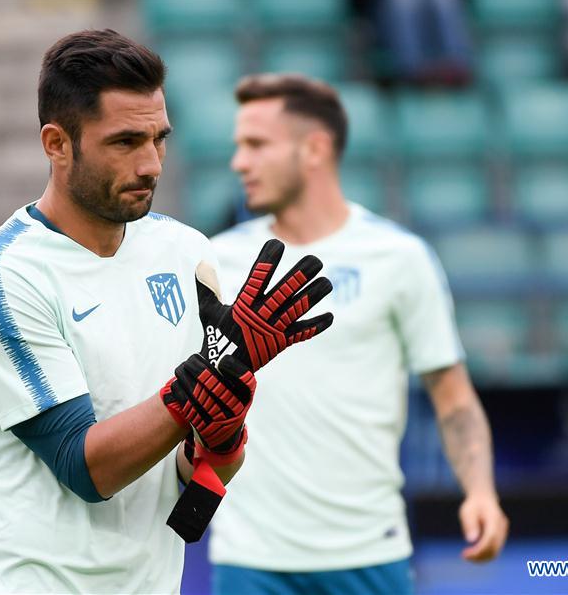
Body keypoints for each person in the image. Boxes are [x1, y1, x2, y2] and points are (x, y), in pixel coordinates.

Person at [0, 30, 332, 593]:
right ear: (57, 143)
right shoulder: (1, 275)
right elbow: (85, 467)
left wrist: (223, 438)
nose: (151, 164)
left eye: (159, 139)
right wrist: (197, 388)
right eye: (125, 142)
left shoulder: (187, 252)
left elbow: (196, 483)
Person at [209, 74, 509, 595]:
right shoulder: (216, 260)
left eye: (256, 144)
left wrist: (479, 491)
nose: (239, 162)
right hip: (248, 559)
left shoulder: (399, 258)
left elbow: (453, 399)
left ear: (315, 149)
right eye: (238, 146)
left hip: (370, 553)